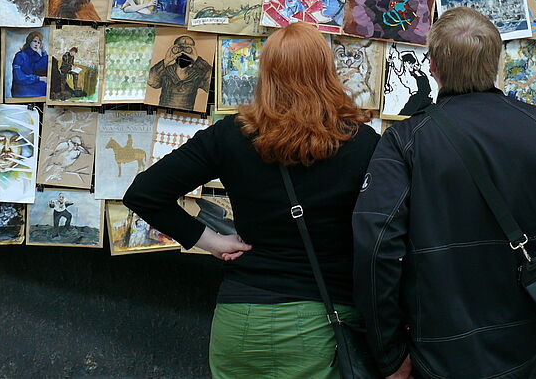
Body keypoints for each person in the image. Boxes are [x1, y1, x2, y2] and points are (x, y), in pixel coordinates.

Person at [353, 7, 536, 379]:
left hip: (435, 343)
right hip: (524, 339)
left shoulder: (406, 141)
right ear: (496, 63)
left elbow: (376, 247)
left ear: (432, 67)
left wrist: (389, 353)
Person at [123, 22, 379, 378]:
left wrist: (209, 241)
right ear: (327, 70)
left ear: (267, 72)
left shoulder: (230, 135)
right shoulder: (363, 143)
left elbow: (144, 194)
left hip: (240, 318)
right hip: (323, 320)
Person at [146, 34, 214, 111]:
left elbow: (211, 86)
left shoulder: (197, 74)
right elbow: (151, 81)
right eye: (180, 47)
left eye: (188, 48)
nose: (183, 51)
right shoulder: (166, 71)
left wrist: (197, 60)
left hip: (187, 115)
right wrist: (166, 61)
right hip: (164, 114)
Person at [10, 31, 48, 98]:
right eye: (35, 41)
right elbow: (18, 77)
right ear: (29, 41)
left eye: (39, 43)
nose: (37, 44)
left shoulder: (36, 56)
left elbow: (43, 67)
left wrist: (44, 52)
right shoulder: (20, 55)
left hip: (32, 85)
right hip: (21, 89)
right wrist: (38, 78)